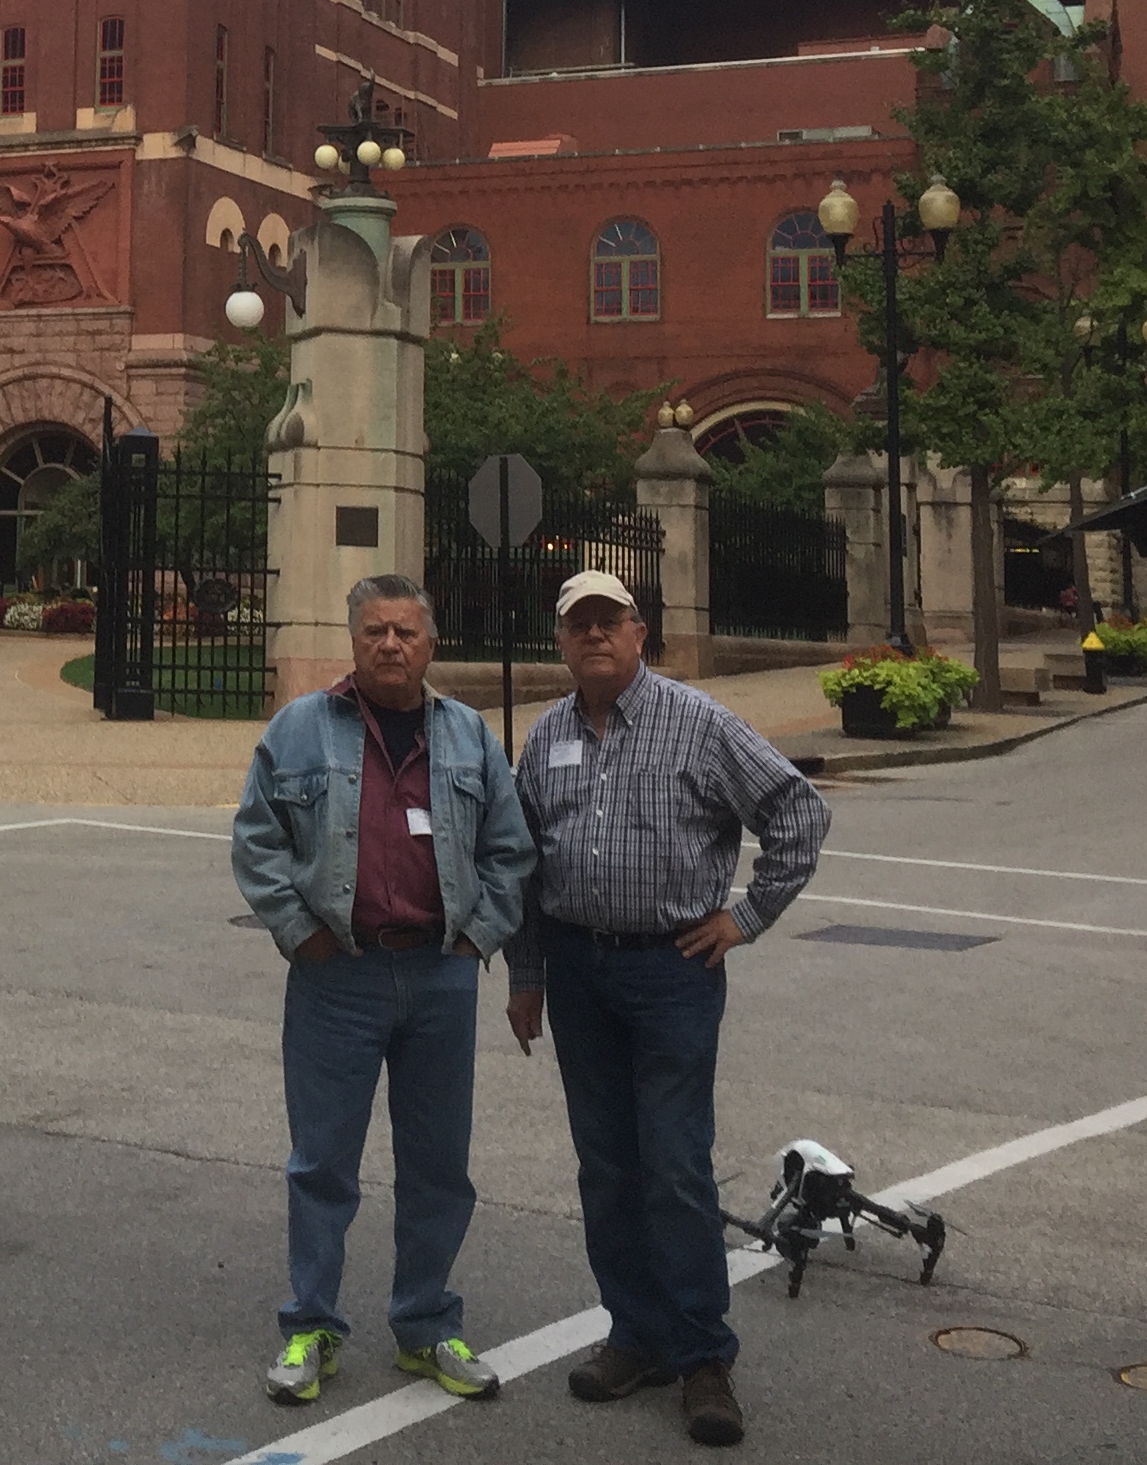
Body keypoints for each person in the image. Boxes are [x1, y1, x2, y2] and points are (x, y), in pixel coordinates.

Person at [504, 570, 828, 1448]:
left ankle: (702, 1356)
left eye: (609, 621)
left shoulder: (699, 722)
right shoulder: (547, 735)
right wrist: (527, 975)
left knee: (675, 1166)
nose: (594, 635)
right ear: (560, 641)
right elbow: (524, 864)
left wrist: (745, 917)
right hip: (578, 970)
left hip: (671, 970)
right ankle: (637, 1335)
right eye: (578, 624)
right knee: (606, 1166)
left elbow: (798, 813)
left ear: (639, 633)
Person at [232, 573, 538, 1408]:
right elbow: (256, 841)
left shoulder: (468, 734)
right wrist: (303, 934)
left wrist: (476, 938)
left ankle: (426, 1325)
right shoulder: (299, 728)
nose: (391, 645)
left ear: (430, 644)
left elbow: (510, 851)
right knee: (322, 1163)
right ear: (354, 642)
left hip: (439, 975)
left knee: (438, 1166)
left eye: (405, 632)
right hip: (337, 975)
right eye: (375, 632)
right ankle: (312, 1327)